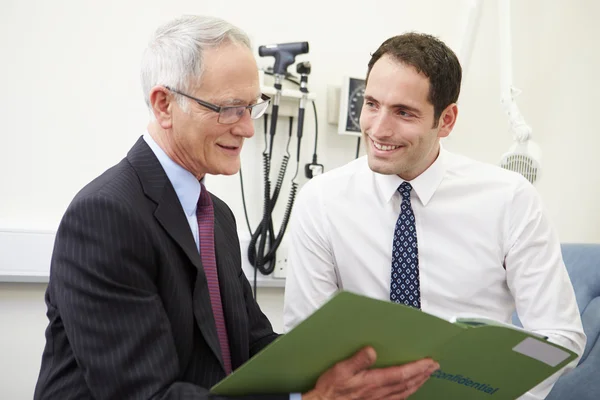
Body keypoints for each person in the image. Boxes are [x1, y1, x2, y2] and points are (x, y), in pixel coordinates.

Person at [33, 15, 439, 400]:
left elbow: (251, 344)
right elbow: (147, 394)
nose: (247, 127)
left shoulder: (214, 216)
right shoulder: (106, 216)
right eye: (228, 108)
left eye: (252, 107)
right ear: (163, 105)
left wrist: (357, 366)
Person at [283, 32, 586, 399]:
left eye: (403, 112)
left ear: (446, 120)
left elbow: (560, 341)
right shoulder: (321, 201)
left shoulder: (510, 200)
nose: (378, 129)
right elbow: (307, 340)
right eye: (372, 103)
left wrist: (497, 369)